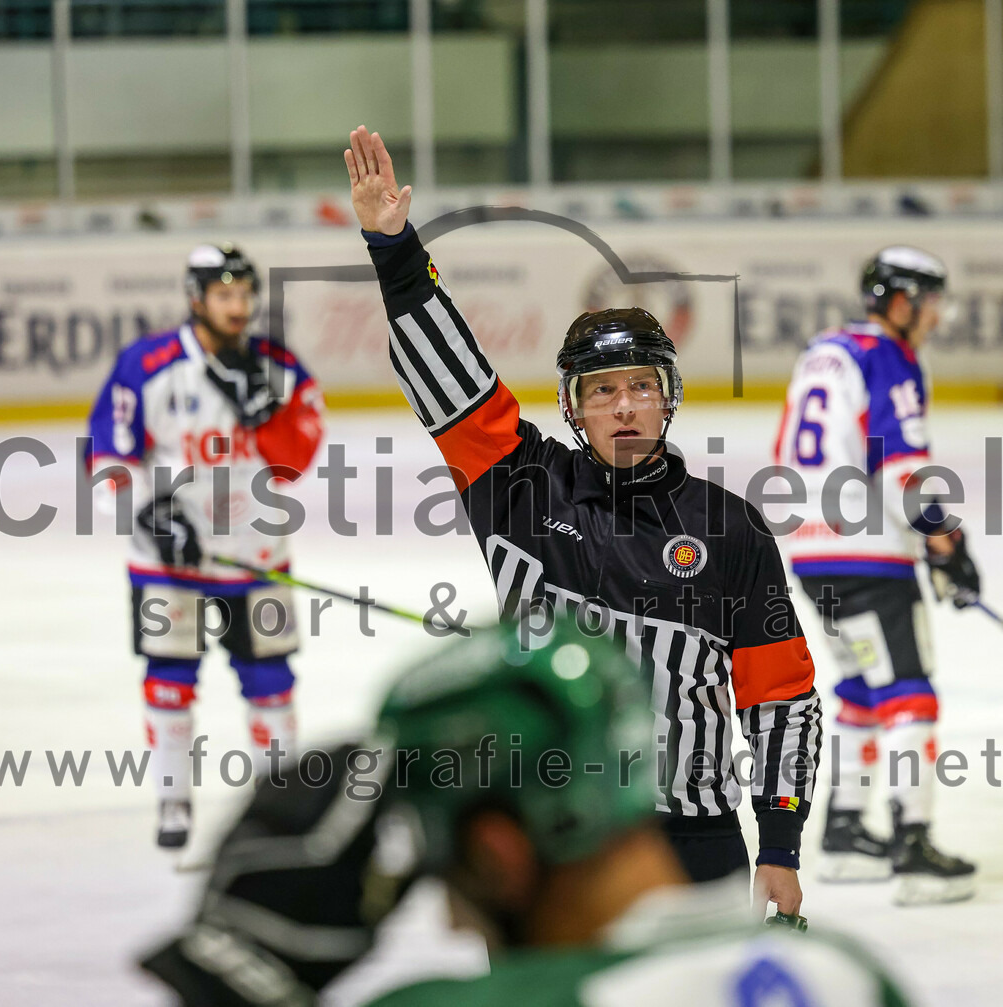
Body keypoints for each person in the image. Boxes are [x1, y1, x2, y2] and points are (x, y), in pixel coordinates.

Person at [342, 126, 822, 914]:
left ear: (668, 395)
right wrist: (394, 249)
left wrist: (779, 844)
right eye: (602, 390)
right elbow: (451, 381)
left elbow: (781, 697)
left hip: (691, 839)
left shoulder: (732, 528)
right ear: (573, 407)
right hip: (547, 837)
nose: (625, 404)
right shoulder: (522, 488)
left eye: (641, 385)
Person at [139, 619, 910, 1007]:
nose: (452, 923)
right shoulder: (851, 973)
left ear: (497, 855)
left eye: (448, 874)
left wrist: (236, 974)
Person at [86, 243, 324, 848]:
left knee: (271, 678)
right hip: (167, 565)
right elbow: (109, 454)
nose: (238, 307)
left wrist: (264, 414)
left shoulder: (279, 366)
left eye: (245, 295)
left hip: (255, 554)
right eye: (225, 295)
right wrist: (151, 514)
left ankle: (279, 808)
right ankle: (172, 800)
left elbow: (296, 462)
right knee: (168, 677)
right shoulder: (149, 363)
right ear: (197, 299)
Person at [775, 245, 979, 904]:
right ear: (901, 301)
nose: (935, 318)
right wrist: (946, 542)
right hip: (869, 553)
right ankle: (912, 845)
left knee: (863, 686)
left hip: (810, 553)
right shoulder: (888, 354)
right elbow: (898, 468)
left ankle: (842, 834)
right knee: (910, 690)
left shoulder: (823, 351)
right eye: (930, 302)